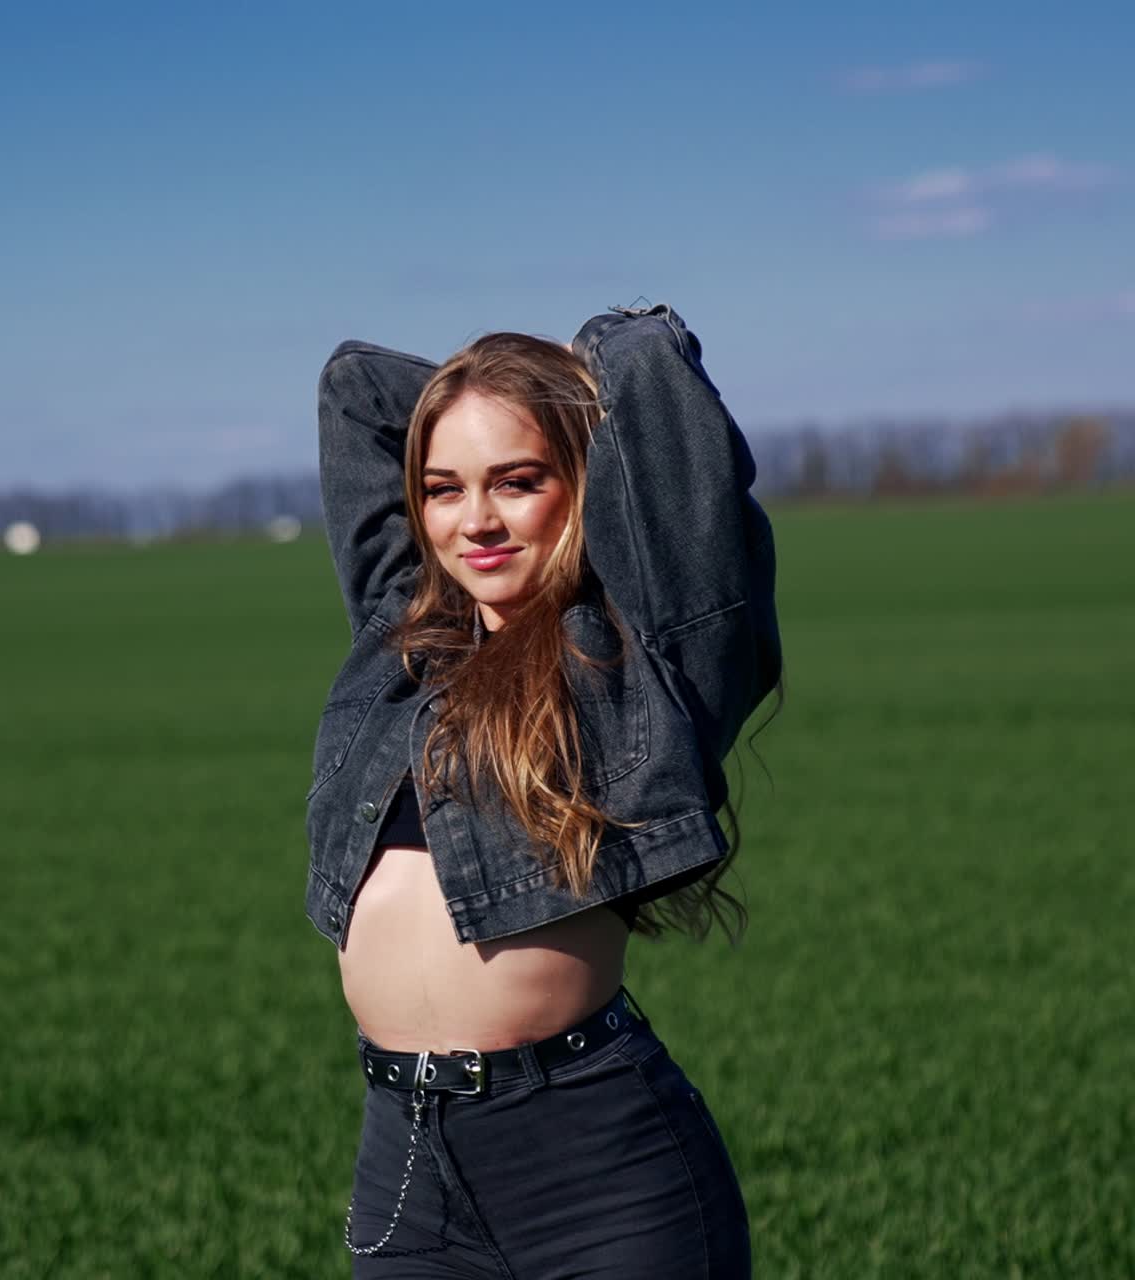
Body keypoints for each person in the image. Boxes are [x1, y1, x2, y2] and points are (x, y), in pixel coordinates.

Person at [307, 301, 781, 1277]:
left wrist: (567, 375)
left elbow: (648, 372)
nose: (472, 519)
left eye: (517, 482)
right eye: (440, 488)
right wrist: (489, 394)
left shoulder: (641, 661)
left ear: (579, 485)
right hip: (404, 1165)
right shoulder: (405, 646)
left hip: (597, 1172)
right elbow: (353, 389)